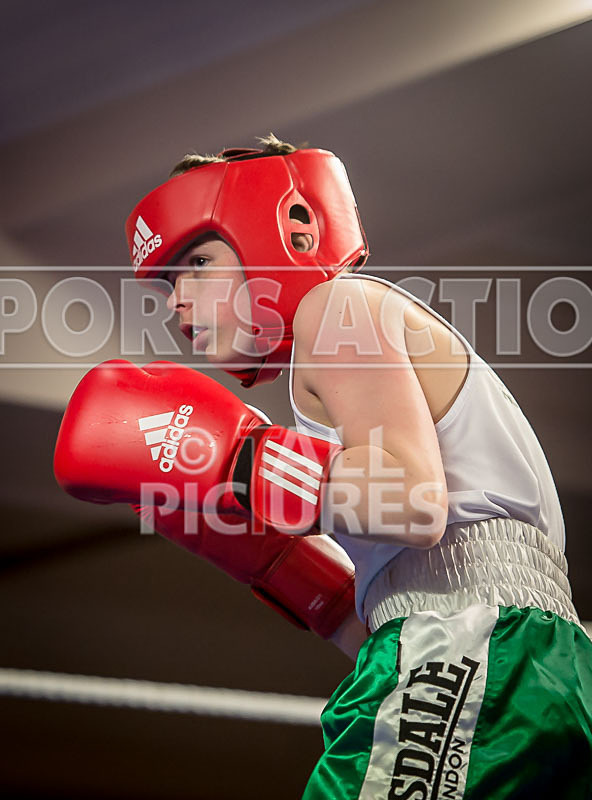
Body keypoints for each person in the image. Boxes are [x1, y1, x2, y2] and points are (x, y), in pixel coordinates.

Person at [55, 135, 592, 798]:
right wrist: (295, 575)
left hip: (477, 649)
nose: (176, 302)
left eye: (196, 262)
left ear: (290, 229)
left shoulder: (337, 310)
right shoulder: (337, 384)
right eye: (165, 284)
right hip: (523, 669)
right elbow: (407, 607)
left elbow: (414, 502)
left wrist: (241, 461)